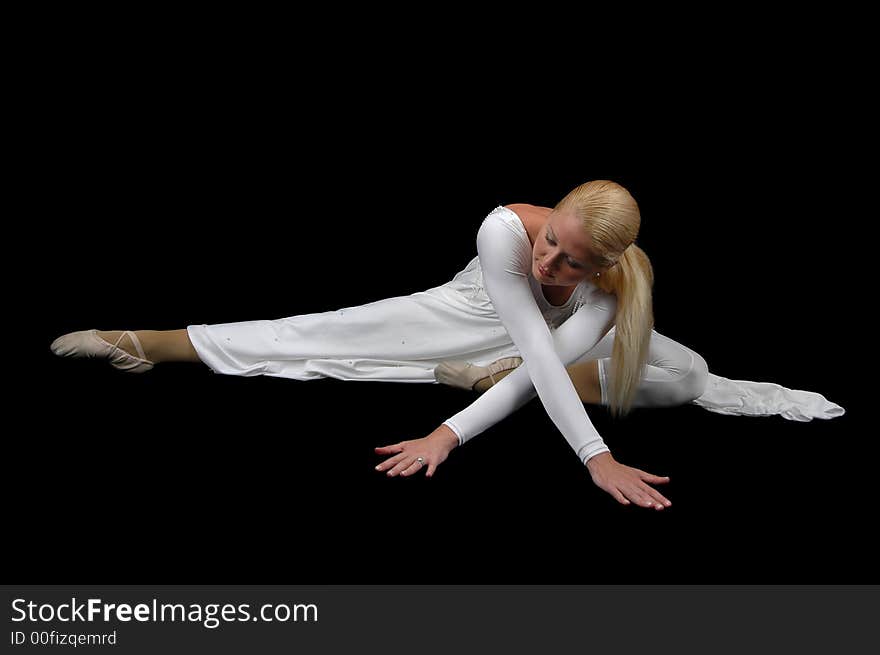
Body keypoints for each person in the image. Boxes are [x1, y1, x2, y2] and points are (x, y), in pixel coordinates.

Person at [50, 180, 845, 510]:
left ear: (604, 266)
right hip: (475, 308)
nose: (552, 262)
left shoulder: (611, 290)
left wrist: (491, 411)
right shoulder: (506, 236)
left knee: (692, 375)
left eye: (572, 261)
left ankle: (489, 377)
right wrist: (586, 456)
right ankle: (148, 343)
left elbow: (543, 358)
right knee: (327, 335)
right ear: (551, 216)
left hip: (541, 342)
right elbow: (536, 344)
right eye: (553, 241)